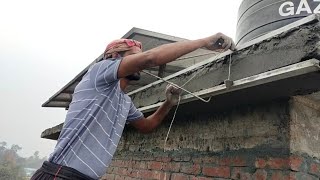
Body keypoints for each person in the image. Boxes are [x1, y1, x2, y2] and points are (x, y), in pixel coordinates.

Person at [31, 33, 235, 180]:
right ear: (113, 57)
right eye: (134, 55)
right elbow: (150, 58)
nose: (139, 61)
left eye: (139, 55)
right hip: (60, 174)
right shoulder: (98, 72)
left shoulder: (124, 101)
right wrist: (205, 42)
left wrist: (168, 103)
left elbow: (146, 126)